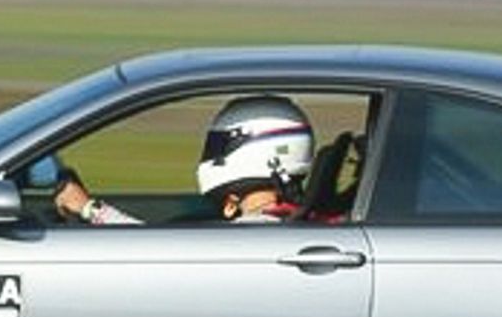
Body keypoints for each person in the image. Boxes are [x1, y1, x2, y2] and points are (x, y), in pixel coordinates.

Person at [53, 94, 315, 223]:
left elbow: (153, 257)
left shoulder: (260, 231)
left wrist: (88, 208)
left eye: (221, 145)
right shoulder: (276, 221)